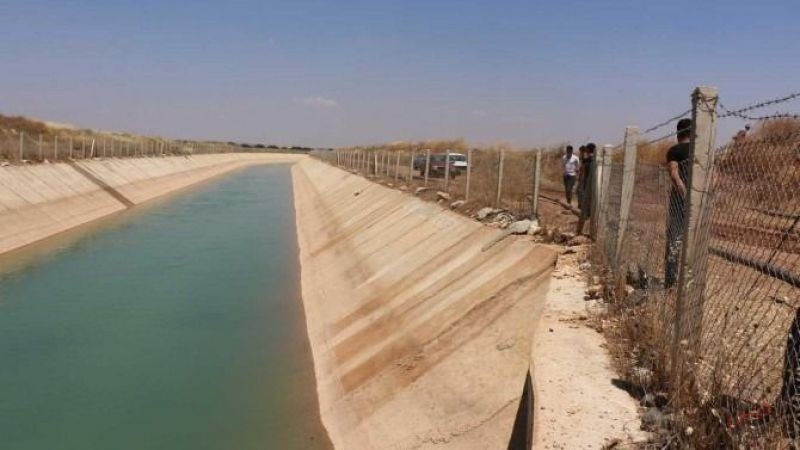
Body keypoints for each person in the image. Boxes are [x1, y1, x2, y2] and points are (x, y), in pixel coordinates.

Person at [664, 118, 692, 288]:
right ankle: (689, 282)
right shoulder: (702, 151)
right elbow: (714, 175)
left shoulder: (674, 151)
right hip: (700, 202)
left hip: (678, 202)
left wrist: (685, 194)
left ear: (678, 133)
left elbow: (674, 175)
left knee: (675, 241)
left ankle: (671, 282)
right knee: (694, 241)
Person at [576, 143, 596, 236]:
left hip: (587, 184)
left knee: (585, 201)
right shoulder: (596, 160)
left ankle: (586, 217)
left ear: (588, 150)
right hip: (594, 184)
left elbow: (581, 169)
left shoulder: (587, 160)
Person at [576, 145, 587, 210]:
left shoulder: (585, 160)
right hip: (581, 178)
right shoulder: (582, 159)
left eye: (581, 152)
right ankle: (580, 205)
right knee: (578, 191)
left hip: (583, 179)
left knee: (581, 192)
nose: (580, 153)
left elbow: (584, 169)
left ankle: (582, 206)